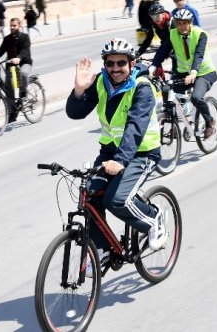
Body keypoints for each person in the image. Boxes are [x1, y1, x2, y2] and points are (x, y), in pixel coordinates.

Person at [66, 38, 167, 271]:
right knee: (90, 196)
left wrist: (121, 161)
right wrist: (79, 90)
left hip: (143, 153)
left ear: (131, 64)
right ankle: (102, 249)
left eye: (121, 63)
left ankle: (154, 220)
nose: (115, 68)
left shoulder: (142, 87)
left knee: (116, 199)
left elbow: (135, 128)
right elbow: (76, 113)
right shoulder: (102, 82)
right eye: (110, 63)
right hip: (110, 152)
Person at [151, 9, 217, 139]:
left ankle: (210, 121)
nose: (182, 26)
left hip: (204, 72)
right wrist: (153, 66)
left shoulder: (200, 34)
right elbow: (163, 51)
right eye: (179, 23)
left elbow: (198, 55)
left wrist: (194, 72)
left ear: (190, 23)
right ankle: (174, 124)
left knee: (196, 98)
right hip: (183, 72)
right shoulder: (173, 34)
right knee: (167, 92)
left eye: (185, 23)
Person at [0, 17, 33, 123]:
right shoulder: (7, 39)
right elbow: (0, 51)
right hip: (11, 65)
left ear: (19, 26)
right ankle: (13, 112)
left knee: (23, 73)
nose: (12, 27)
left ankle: (24, 94)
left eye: (14, 25)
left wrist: (19, 58)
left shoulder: (25, 37)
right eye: (11, 25)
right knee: (8, 90)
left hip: (24, 62)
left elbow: (26, 50)